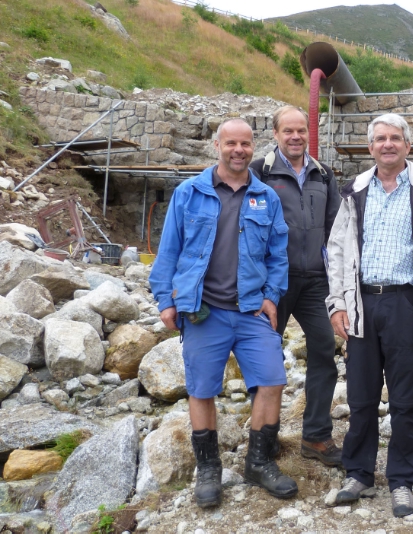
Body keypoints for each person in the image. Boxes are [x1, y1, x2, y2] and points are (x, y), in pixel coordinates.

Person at [149, 118, 297, 508]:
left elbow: (278, 255)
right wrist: (165, 300)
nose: (238, 150)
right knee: (202, 389)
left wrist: (271, 296)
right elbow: (169, 251)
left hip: (251, 311)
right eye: (231, 143)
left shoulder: (266, 197)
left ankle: (258, 463)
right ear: (217, 145)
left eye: (245, 144)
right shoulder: (189, 193)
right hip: (204, 311)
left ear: (253, 147)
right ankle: (208, 469)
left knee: (272, 381)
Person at [326, 113, 413, 518]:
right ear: (371, 147)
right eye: (380, 138)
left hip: (406, 304)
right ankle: (359, 473)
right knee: (361, 397)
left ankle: (402, 480)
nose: (387, 144)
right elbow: (336, 250)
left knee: (406, 399)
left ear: (407, 145)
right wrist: (337, 303)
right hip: (362, 303)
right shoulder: (354, 192)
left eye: (395, 138)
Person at [249, 106, 342, 467]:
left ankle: (315, 436)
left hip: (315, 281)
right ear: (275, 134)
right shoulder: (260, 171)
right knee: (264, 357)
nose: (295, 137)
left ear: (308, 132)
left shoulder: (323, 174)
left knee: (324, 349)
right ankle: (266, 437)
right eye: (287, 131)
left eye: (301, 130)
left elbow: (335, 229)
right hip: (273, 282)